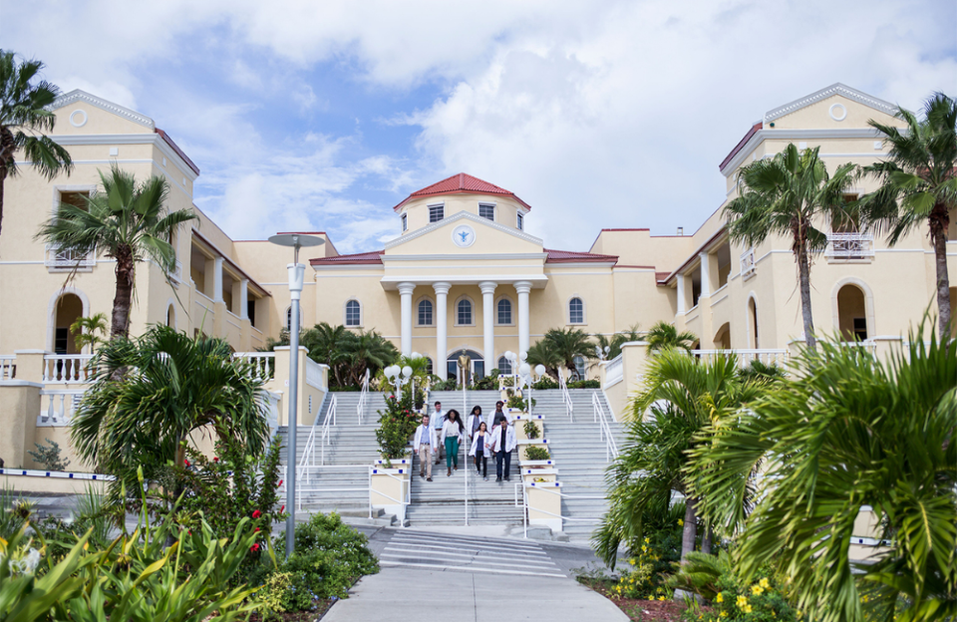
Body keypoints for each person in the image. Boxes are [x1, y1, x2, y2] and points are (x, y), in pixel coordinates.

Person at [489, 418, 517, 482]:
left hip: (507, 448)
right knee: (499, 462)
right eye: (501, 423)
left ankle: (506, 476)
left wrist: (513, 446)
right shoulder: (497, 429)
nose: (502, 424)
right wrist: (489, 444)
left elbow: (514, 438)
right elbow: (493, 437)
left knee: (507, 462)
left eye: (503, 423)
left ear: (506, 422)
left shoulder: (511, 429)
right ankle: (499, 476)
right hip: (499, 448)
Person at [441, 409, 465, 476]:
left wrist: (460, 438)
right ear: (449, 415)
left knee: (454, 453)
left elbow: (461, 431)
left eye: (453, 414)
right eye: (451, 414)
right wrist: (442, 441)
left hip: (455, 438)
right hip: (448, 438)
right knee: (448, 453)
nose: (452, 415)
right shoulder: (446, 422)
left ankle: (455, 463)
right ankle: (449, 469)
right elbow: (443, 432)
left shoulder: (457, 422)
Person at [413, 415, 437, 481]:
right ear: (422, 420)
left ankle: (428, 476)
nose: (426, 421)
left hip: (429, 445)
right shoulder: (419, 428)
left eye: (427, 420)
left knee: (429, 461)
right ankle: (422, 471)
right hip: (421, 445)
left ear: (428, 420)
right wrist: (416, 447)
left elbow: (434, 437)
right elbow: (416, 438)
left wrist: (435, 446)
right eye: (424, 420)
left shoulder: (431, 428)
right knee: (422, 460)